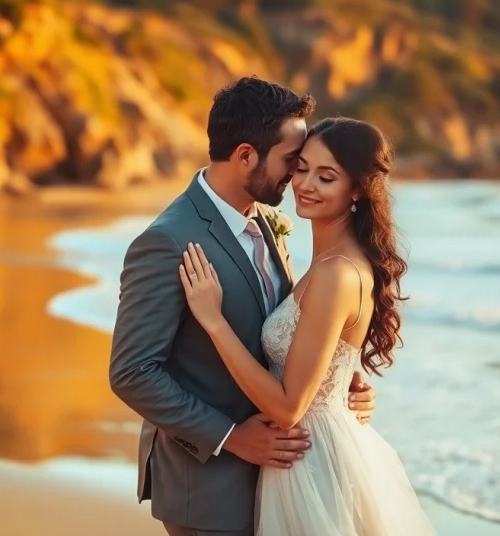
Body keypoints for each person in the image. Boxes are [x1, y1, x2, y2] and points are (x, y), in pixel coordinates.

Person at [109, 78, 377, 536]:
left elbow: (284, 327)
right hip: (207, 486)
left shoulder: (269, 222)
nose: (298, 178)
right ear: (246, 156)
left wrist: (333, 377)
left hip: (281, 476)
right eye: (293, 161)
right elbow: (132, 372)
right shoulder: (167, 242)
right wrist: (231, 438)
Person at [178, 117, 436, 535]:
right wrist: (341, 381)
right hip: (303, 451)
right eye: (302, 168)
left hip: (310, 460)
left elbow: (287, 408)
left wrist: (213, 322)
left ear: (356, 190)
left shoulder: (337, 272)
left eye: (327, 176)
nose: (306, 184)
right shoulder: (327, 262)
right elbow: (323, 359)